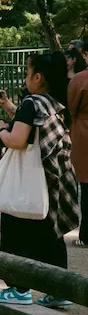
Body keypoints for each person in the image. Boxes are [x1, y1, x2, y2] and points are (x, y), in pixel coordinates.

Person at [0, 53, 79, 308]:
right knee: (50, 233)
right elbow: (33, 125)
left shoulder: (32, 103)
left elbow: (17, 140)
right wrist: (8, 105)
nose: (26, 78)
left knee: (17, 230)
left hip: (27, 180)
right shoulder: (55, 102)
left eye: (28, 73)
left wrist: (0, 130)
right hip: (53, 179)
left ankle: (18, 289)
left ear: (38, 77)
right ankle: (59, 291)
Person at [69, 65, 88, 247]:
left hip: (83, 132)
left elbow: (71, 107)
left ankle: (86, 232)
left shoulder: (80, 79)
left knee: (86, 185)